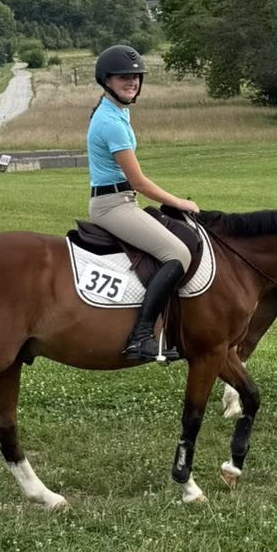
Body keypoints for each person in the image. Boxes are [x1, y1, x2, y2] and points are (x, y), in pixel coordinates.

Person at [86, 44, 201, 364]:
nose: (132, 82)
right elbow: (138, 181)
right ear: (106, 80)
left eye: (136, 77)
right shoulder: (111, 122)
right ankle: (140, 337)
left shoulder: (116, 111)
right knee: (177, 254)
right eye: (124, 77)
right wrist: (179, 202)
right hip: (113, 205)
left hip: (122, 200)